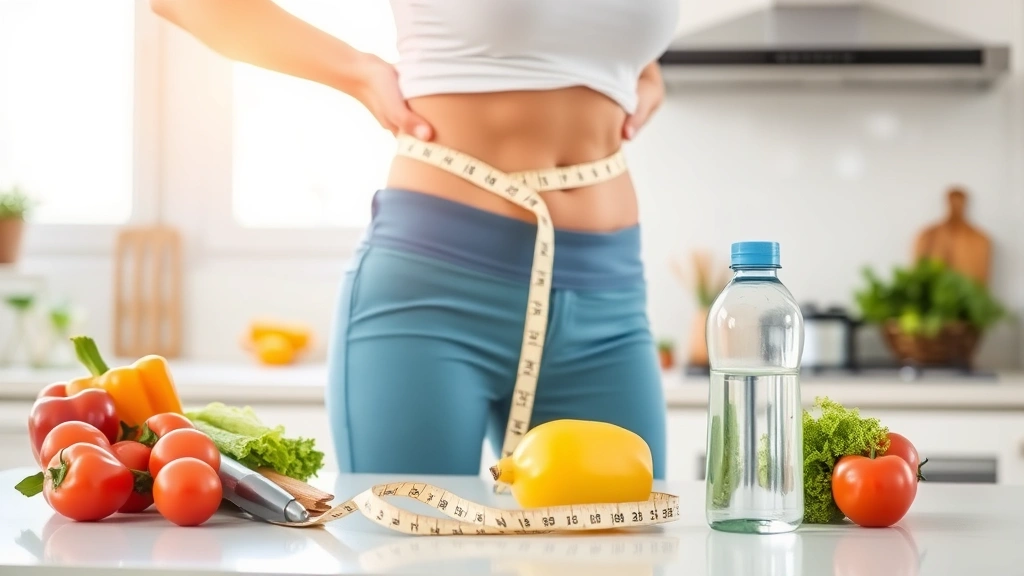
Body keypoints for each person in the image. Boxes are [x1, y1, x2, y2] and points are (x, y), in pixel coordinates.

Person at [149, 0, 680, 479]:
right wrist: (356, 71)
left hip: (607, 302)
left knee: (620, 550)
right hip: (433, 295)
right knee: (412, 556)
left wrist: (642, 68)